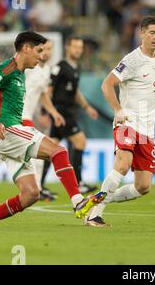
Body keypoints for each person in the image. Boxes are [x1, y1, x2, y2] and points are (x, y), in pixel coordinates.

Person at [0, 31, 105, 230]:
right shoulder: (7, 69)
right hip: (8, 130)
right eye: (39, 51)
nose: (41, 56)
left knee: (31, 194)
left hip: (8, 137)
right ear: (25, 48)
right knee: (59, 151)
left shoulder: (21, 73)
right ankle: (78, 202)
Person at [85, 16, 155, 227]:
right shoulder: (132, 60)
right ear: (142, 33)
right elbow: (107, 85)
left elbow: (152, 97)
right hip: (128, 122)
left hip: (147, 130)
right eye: (152, 32)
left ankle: (96, 200)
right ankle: (94, 214)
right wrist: (118, 110)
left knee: (143, 187)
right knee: (123, 165)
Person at [0, 40, 61, 202]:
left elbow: (43, 95)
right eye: (43, 49)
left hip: (26, 116)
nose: (46, 53)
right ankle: (38, 188)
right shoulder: (27, 68)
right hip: (18, 117)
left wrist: (52, 112)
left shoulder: (44, 71)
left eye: (50, 49)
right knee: (43, 150)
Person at [40, 36, 99, 195]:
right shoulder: (60, 67)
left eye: (80, 48)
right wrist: (45, 112)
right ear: (68, 47)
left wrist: (87, 107)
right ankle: (78, 182)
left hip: (67, 112)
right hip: (62, 113)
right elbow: (48, 91)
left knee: (50, 148)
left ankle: (40, 185)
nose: (78, 50)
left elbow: (75, 92)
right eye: (75, 47)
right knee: (80, 142)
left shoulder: (75, 67)